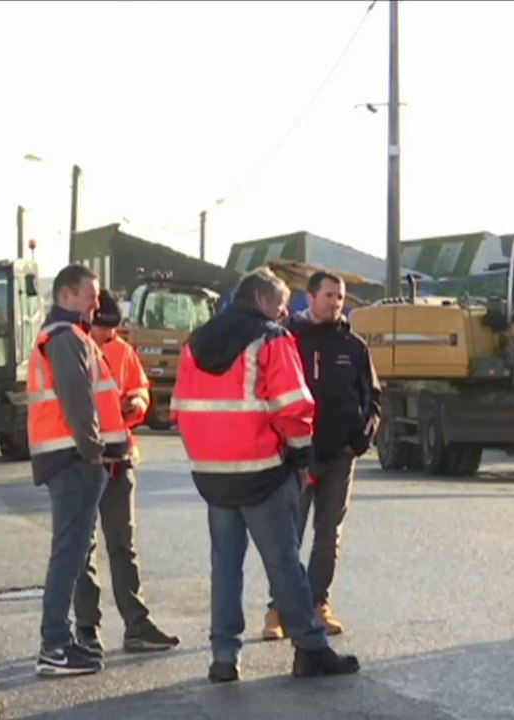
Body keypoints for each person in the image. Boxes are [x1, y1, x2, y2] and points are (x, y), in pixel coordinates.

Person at [170, 267, 360, 683]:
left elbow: (179, 409)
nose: (283, 311)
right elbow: (293, 407)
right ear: (260, 300)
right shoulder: (271, 338)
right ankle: (310, 649)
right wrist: (298, 459)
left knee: (225, 565)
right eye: (279, 303)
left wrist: (206, 455)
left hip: (213, 473)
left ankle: (224, 656)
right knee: (284, 564)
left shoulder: (195, 342)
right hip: (262, 470)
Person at [263, 271, 381, 640]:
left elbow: (372, 399)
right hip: (294, 456)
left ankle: (318, 603)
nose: (336, 302)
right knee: (288, 535)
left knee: (328, 533)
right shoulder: (286, 340)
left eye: (340, 297)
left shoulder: (354, 346)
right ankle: (279, 609)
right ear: (309, 297)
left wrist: (359, 441)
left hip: (340, 455)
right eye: (329, 295)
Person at [29, 264, 131, 677]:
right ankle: (55, 646)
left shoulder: (66, 337)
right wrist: (94, 453)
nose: (97, 302)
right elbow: (78, 402)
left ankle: (59, 642)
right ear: (67, 296)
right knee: (69, 554)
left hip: (72, 459)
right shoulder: (67, 338)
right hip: (75, 460)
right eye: (91, 295)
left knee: (71, 553)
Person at [73, 289, 181, 656]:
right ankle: (87, 628)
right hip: (81, 464)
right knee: (81, 549)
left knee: (123, 546)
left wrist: (137, 402)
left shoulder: (121, 350)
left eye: (113, 330)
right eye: (104, 329)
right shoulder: (69, 348)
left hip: (119, 461)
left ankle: (136, 624)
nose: (109, 337)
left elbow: (141, 389)